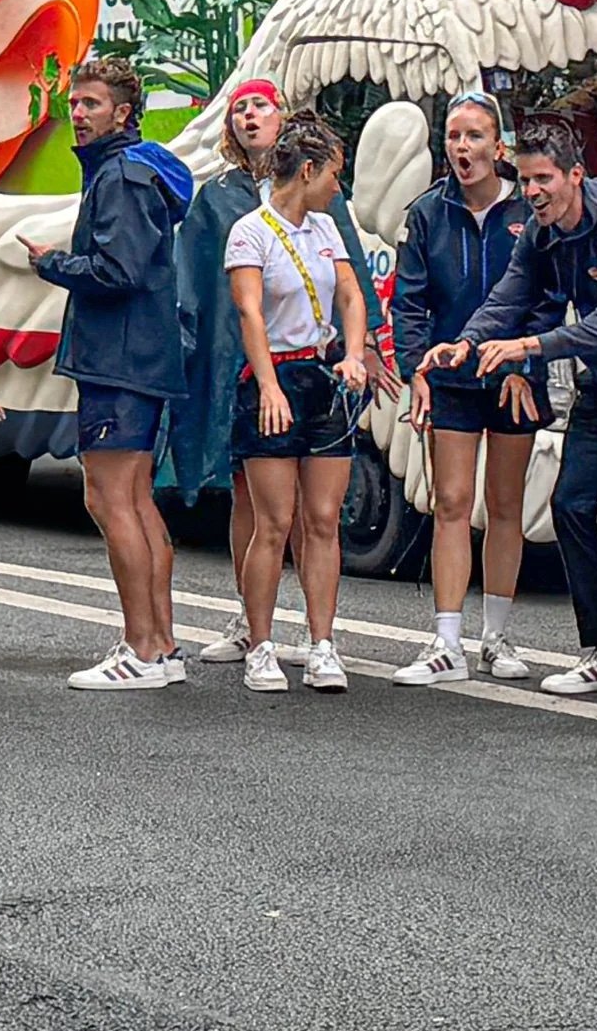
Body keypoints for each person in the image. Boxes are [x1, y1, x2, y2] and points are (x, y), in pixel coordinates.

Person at [426, 118, 597, 703]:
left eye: (545, 179)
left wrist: (529, 346)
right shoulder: (542, 233)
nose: (533, 192)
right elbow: (511, 295)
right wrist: (470, 340)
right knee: (571, 504)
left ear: (576, 175)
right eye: (525, 180)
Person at [29, 56, 194, 690]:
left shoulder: (120, 176)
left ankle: (142, 649)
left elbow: (117, 272)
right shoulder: (137, 170)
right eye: (75, 103)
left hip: (118, 359)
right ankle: (161, 642)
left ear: (123, 113)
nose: (78, 113)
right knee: (136, 500)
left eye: (91, 104)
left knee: (109, 499)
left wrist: (54, 264)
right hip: (141, 357)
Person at [391, 91, 539, 686]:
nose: (462, 148)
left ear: (498, 147)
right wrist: (415, 371)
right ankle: (446, 641)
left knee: (505, 507)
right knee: (451, 502)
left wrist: (521, 364)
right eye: (453, 136)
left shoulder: (530, 210)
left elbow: (548, 299)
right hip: (448, 375)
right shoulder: (427, 212)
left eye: (475, 136)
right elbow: (408, 303)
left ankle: (496, 638)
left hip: (513, 378)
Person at [225, 113, 370, 693]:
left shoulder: (327, 229)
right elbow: (250, 312)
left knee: (323, 519)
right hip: (273, 375)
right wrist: (267, 386)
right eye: (334, 173)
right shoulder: (250, 231)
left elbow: (352, 294)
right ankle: (260, 643)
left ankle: (323, 643)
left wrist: (354, 354)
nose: (339, 185)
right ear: (307, 170)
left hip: (322, 373)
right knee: (274, 521)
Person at [170, 77, 287, 665]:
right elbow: (190, 279)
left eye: (258, 106)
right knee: (247, 491)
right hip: (237, 355)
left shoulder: (313, 186)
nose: (248, 117)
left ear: (282, 115)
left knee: (313, 506)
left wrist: (361, 341)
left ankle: (322, 633)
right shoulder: (216, 197)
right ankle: (250, 618)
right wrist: (186, 345)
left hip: (301, 356)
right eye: (239, 108)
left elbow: (346, 267)